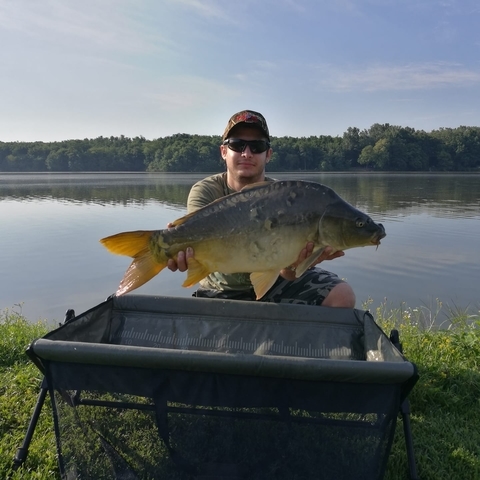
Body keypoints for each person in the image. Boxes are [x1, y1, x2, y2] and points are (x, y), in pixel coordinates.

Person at [167, 110, 356, 308]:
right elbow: (199, 245)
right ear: (224, 151)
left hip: (275, 282)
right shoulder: (205, 191)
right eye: (237, 145)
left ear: (268, 155)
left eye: (257, 146)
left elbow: (286, 272)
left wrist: (297, 263)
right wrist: (176, 248)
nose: (246, 153)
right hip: (221, 288)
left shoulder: (283, 197)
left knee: (342, 296)